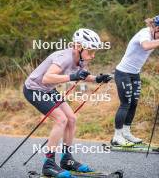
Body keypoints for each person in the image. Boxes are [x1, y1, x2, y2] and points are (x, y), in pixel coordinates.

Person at [23, 28, 112, 178]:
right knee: (61, 119)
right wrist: (71, 76)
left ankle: (66, 159)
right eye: (90, 51)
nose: (93, 55)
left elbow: (83, 75)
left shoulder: (80, 59)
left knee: (71, 119)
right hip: (34, 89)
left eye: (94, 51)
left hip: (48, 90)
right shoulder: (64, 57)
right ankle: (48, 164)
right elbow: (47, 78)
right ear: (78, 47)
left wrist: (97, 78)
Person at [112, 15, 159, 146]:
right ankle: (117, 136)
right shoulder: (144, 33)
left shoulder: (155, 35)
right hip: (123, 73)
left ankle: (126, 132)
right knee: (125, 104)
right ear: (155, 28)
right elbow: (146, 46)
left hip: (135, 74)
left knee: (133, 104)